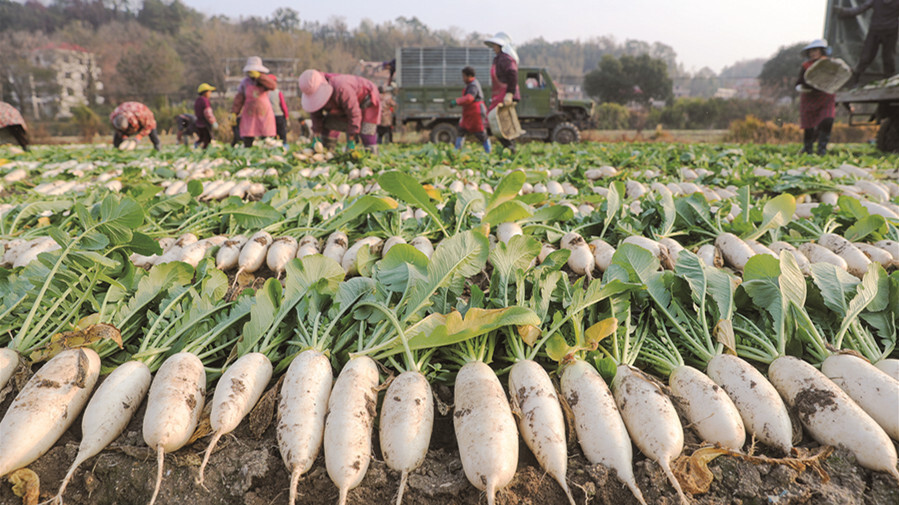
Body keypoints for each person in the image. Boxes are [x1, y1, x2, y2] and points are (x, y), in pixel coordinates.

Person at [298, 69, 382, 154]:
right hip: (343, 106)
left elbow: (354, 113)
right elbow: (315, 114)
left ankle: (372, 156)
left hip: (366, 100)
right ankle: (328, 152)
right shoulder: (314, 92)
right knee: (328, 124)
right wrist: (316, 134)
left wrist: (351, 139)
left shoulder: (342, 88)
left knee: (366, 132)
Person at [835, 0, 899, 86]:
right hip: (875, 31)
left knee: (888, 58)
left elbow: (859, 9)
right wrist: (842, 11)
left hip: (890, 32)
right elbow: (859, 9)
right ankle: (855, 79)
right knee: (865, 57)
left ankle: (888, 81)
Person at [796, 40, 836, 155]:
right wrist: (801, 87)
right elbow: (800, 81)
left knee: (828, 120)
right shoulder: (806, 66)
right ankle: (808, 150)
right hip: (810, 97)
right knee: (809, 126)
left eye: (815, 50)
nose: (813, 53)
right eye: (811, 51)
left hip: (826, 97)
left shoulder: (830, 64)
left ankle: (821, 150)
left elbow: (838, 77)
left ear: (822, 51)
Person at [484, 32, 521, 154]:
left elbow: (513, 75)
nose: (493, 48)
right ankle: (509, 149)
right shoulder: (498, 58)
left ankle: (510, 148)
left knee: (500, 124)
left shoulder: (506, 59)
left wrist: (509, 93)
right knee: (497, 123)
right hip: (499, 94)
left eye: (495, 45)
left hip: (505, 94)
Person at [231, 56, 277, 148]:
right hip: (249, 113)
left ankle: (268, 152)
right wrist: (234, 112)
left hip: (264, 113)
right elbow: (239, 98)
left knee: (266, 136)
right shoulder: (245, 82)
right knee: (248, 134)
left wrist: (260, 77)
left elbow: (273, 86)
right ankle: (248, 150)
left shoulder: (265, 80)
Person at [450, 66, 490, 153]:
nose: (463, 78)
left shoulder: (473, 85)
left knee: (480, 132)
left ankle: (488, 151)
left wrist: (457, 101)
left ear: (469, 76)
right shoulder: (471, 84)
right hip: (469, 112)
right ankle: (456, 151)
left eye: (464, 76)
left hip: (476, 112)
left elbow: (469, 98)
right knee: (461, 130)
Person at [194, 82, 218, 149]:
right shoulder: (205, 101)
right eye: (209, 92)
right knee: (207, 139)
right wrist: (213, 122)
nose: (210, 93)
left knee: (201, 138)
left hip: (198, 123)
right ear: (205, 92)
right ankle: (204, 151)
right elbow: (208, 113)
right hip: (205, 124)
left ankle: (196, 145)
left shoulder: (197, 100)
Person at [267, 75, 290, 147]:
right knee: (282, 133)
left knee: (271, 135)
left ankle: (271, 148)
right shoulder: (278, 92)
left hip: (268, 117)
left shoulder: (265, 93)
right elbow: (283, 105)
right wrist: (286, 116)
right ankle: (284, 147)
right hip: (279, 116)